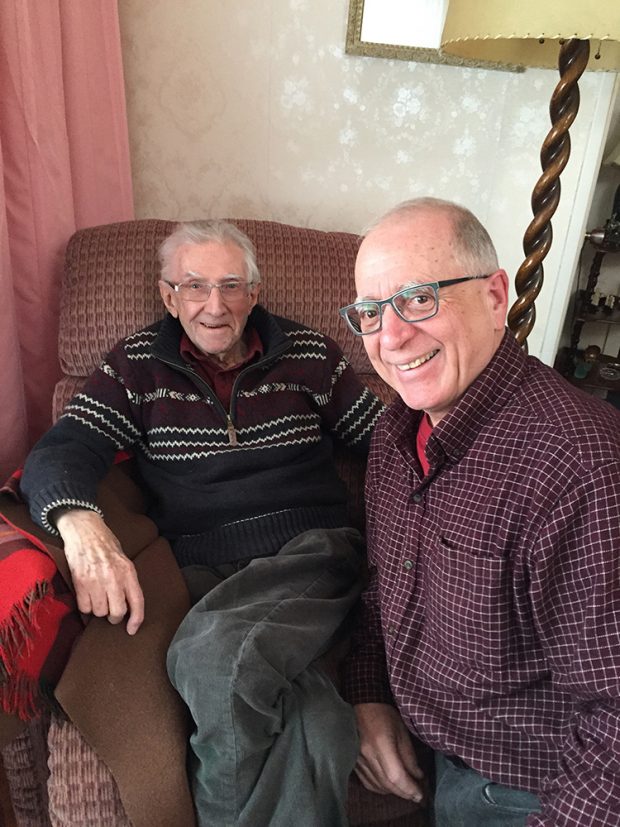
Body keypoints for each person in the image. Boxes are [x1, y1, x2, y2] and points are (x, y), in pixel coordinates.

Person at [18, 219, 385, 826]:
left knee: (210, 656)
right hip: (199, 571)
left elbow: (388, 444)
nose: (214, 306)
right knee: (319, 727)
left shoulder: (312, 356)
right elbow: (63, 450)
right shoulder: (135, 367)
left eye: (231, 285)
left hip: (310, 555)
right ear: (168, 296)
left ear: (255, 292)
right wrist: (80, 522)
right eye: (194, 287)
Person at [339, 197, 620, 827]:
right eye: (369, 312)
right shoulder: (395, 433)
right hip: (426, 748)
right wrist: (368, 695)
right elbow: (383, 592)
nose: (390, 337)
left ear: (495, 296)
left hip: (524, 787)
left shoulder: (577, 465)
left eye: (418, 298)